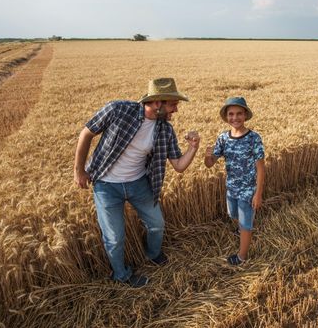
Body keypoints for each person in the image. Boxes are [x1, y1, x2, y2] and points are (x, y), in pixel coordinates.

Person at [74, 78, 200, 287]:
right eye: (173, 104)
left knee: (157, 224)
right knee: (114, 237)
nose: (176, 110)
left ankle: (152, 254)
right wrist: (79, 170)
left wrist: (193, 147)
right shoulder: (118, 110)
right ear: (157, 103)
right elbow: (86, 133)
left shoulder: (164, 130)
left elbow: (178, 165)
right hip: (106, 185)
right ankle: (121, 274)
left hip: (139, 184)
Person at [204, 96, 265, 265]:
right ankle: (243, 230)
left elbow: (261, 167)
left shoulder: (254, 138)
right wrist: (207, 156)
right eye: (231, 114)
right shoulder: (223, 138)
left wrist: (258, 194)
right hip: (231, 188)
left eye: (239, 113)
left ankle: (242, 256)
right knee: (233, 215)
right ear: (226, 117)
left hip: (248, 190)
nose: (235, 117)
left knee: (245, 224)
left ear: (245, 115)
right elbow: (210, 164)